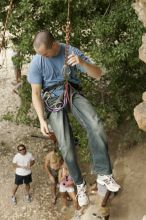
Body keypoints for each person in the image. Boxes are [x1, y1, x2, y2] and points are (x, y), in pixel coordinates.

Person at [27, 30, 120, 207]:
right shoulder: (37, 62)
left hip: (71, 91)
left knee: (96, 125)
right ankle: (80, 184)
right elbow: (36, 93)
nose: (42, 57)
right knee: (66, 146)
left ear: (54, 45)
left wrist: (82, 63)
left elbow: (98, 73)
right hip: (52, 100)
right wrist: (41, 119)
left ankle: (104, 174)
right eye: (40, 54)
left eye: (45, 54)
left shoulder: (69, 51)